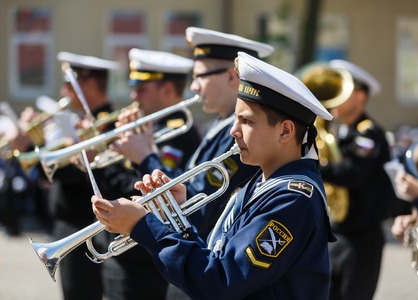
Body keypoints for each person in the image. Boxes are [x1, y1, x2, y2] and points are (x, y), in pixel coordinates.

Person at [92, 51, 335, 299]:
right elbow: (217, 254)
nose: (233, 131)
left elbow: (219, 279)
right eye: (235, 119)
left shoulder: (292, 198)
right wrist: (179, 212)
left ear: (285, 131)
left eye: (246, 122)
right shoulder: (263, 183)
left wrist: (143, 226)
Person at [111, 28, 274, 299]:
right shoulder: (217, 128)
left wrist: (146, 157)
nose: (194, 87)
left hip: (205, 262)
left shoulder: (238, 137)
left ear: (232, 76)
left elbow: (201, 206)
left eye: (199, 77)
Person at [100, 48, 202, 300]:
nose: (133, 95)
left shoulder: (179, 132)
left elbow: (143, 190)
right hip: (124, 254)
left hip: (143, 263)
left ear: (167, 90)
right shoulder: (149, 126)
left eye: (142, 88)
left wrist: (119, 161)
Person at [47, 51, 120, 300]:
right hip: (70, 226)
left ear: (88, 84)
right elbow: (49, 172)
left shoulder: (107, 126)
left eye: (68, 85)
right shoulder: (82, 123)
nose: (63, 91)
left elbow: (70, 178)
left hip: (83, 228)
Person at [318, 59, 393, 300]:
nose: (335, 98)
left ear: (360, 96)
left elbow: (353, 173)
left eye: (343, 91)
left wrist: (315, 168)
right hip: (337, 233)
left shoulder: (369, 133)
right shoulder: (340, 132)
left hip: (361, 239)